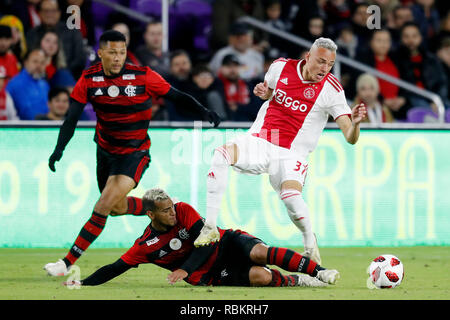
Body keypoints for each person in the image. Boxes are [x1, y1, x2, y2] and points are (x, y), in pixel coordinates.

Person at [43, 30, 220, 277]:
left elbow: (176, 95)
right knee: (115, 207)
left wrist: (203, 110)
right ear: (101, 53)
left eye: (122, 53)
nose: (118, 58)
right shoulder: (89, 79)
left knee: (102, 205)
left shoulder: (143, 76)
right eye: (112, 53)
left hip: (134, 153)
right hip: (104, 152)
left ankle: (67, 262)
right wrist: (58, 149)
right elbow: (72, 117)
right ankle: (159, 209)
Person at [194, 38, 367, 266]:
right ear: (308, 57)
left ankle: (309, 244)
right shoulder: (280, 67)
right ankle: (210, 226)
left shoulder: (332, 90)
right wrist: (264, 92)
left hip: (292, 154)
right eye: (321, 61)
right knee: (221, 154)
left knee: (291, 198)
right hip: (261, 141)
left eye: (330, 64)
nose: (325, 69)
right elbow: (269, 92)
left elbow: (350, 138)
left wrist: (355, 124)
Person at [63, 188, 340, 288]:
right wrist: (84, 283)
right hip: (210, 274)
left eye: (172, 206)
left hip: (225, 243)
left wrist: (184, 268)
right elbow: (115, 268)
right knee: (262, 277)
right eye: (165, 210)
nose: (172, 212)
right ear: (150, 215)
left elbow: (208, 241)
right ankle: (297, 279)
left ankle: (320, 271)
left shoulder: (184, 211)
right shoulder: (144, 247)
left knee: (259, 252)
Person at [395, 22, 449, 112]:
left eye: (414, 36)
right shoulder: (396, 59)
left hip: (434, 99)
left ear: (420, 37)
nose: (411, 40)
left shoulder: (431, 59)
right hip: (411, 101)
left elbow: (442, 83)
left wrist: (438, 100)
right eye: (406, 37)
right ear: (401, 39)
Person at [26, 0, 87, 79]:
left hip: (68, 77)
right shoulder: (32, 33)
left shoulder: (73, 32)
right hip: (37, 76)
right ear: (39, 13)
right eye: (46, 11)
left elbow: (80, 59)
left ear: (59, 12)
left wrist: (61, 73)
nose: (49, 14)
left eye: (53, 11)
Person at [6, 48, 49, 120]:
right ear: (26, 62)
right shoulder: (14, 84)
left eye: (42, 63)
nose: (39, 66)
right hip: (23, 128)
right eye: (35, 61)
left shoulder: (45, 85)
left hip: (45, 127)